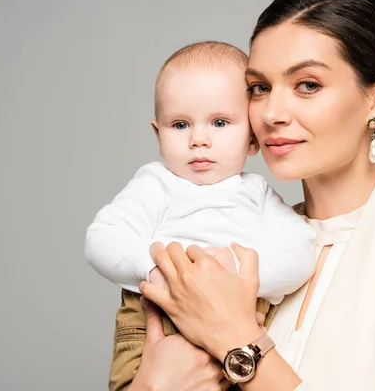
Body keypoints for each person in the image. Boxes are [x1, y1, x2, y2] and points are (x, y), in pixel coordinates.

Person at [125, 0, 375, 390]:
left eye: (307, 85)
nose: (271, 113)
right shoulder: (238, 239)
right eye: (259, 87)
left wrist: (237, 339)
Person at [84, 41, 317, 390]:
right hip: (157, 320)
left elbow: (300, 252)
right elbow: (102, 238)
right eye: (180, 125)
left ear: (253, 139)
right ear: (157, 133)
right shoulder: (155, 183)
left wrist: (237, 277)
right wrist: (154, 271)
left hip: (239, 324)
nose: (199, 139)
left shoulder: (257, 193)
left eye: (219, 122)